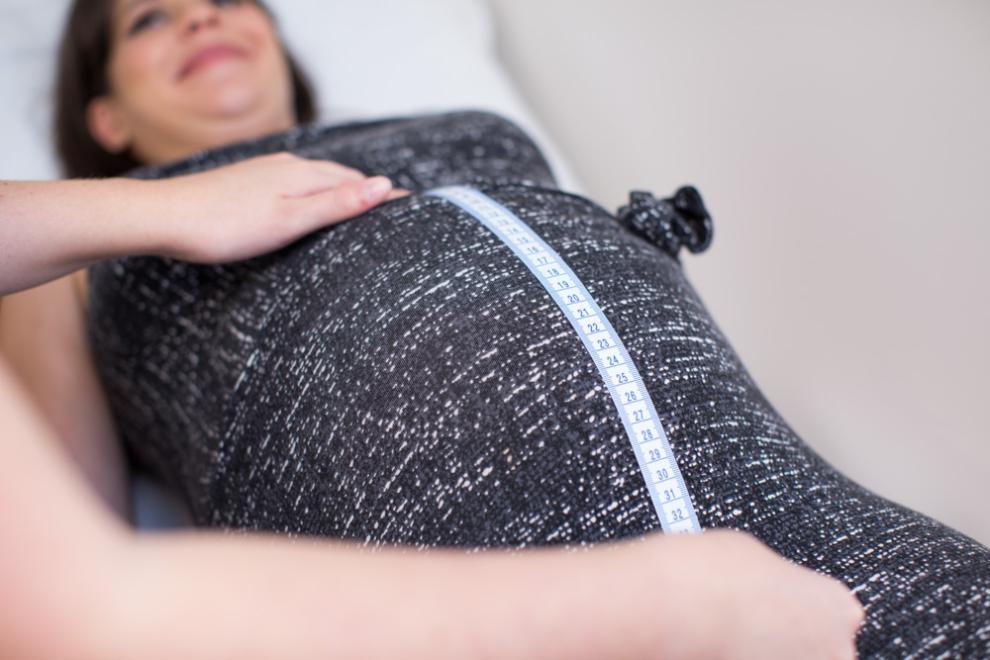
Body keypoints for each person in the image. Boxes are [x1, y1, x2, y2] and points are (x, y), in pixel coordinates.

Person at [0, 0, 981, 656]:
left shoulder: (473, 125)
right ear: (109, 117)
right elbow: (72, 547)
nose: (202, 14)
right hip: (485, 596)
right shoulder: (79, 252)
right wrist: (168, 212)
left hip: (792, 504)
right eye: (150, 17)